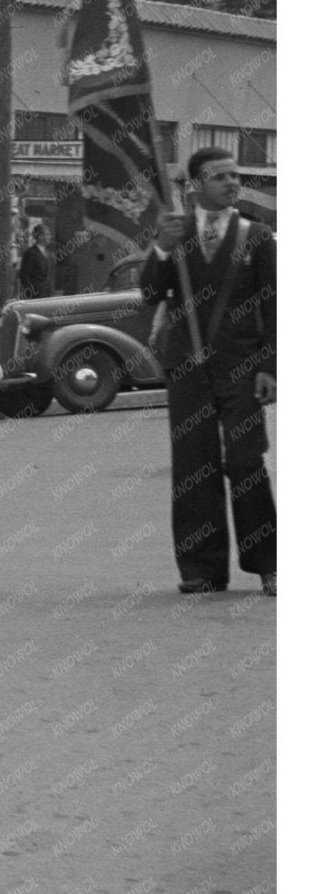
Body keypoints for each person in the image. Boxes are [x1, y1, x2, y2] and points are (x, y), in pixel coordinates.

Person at [139, 148, 276, 597]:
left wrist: (272, 367)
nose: (233, 183)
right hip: (188, 368)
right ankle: (202, 570)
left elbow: (276, 307)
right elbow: (150, 292)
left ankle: (269, 565)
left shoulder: (257, 236)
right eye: (221, 176)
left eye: (236, 175)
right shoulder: (174, 235)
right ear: (196, 184)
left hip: (242, 368)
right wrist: (160, 247)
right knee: (194, 467)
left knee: (245, 462)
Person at [18, 221, 54, 298]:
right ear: (40, 236)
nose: (49, 237)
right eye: (47, 234)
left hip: (46, 295)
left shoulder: (48, 253)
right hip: (35, 296)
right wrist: (32, 291)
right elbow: (24, 275)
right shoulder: (31, 253)